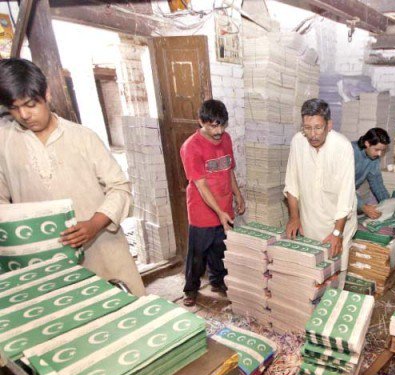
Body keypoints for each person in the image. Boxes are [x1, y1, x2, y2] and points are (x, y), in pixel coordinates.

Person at [0, 58, 145, 296]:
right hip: (45, 262)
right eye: (14, 108)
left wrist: (94, 224)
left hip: (101, 249)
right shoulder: (4, 143)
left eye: (30, 104)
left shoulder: (83, 137)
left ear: (46, 94)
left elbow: (120, 187)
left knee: (122, 312)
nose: (24, 115)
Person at [284, 98, 357, 284]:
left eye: (318, 128)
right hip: (310, 222)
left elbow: (345, 195)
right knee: (313, 274)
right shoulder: (297, 142)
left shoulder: (343, 147)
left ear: (329, 125)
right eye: (307, 128)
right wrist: (294, 217)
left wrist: (337, 234)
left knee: (335, 272)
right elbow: (292, 183)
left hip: (338, 222)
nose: (312, 135)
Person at [180, 99, 244, 307]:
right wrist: (219, 212)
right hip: (202, 210)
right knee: (198, 254)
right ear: (201, 122)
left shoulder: (226, 139)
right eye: (213, 126)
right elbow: (201, 186)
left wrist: (238, 195)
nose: (218, 131)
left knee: (220, 249)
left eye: (222, 125)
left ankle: (218, 282)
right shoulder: (191, 147)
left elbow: (229, 170)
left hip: (224, 206)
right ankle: (191, 289)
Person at [353, 127, 391, 219]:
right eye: (377, 149)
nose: (379, 154)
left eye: (382, 151)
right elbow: (343, 188)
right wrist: (362, 206)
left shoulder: (374, 158)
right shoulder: (349, 152)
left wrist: (388, 203)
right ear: (367, 143)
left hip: (349, 194)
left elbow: (377, 183)